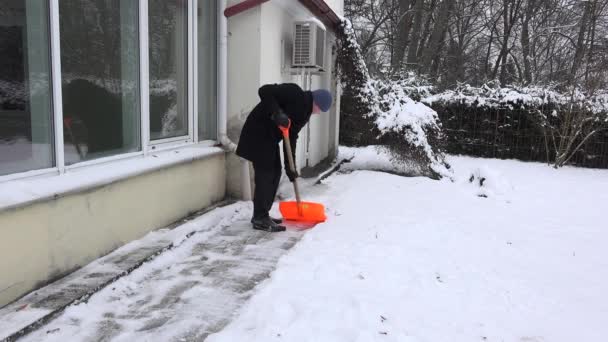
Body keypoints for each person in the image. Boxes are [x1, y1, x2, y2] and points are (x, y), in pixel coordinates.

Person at [236, 83, 333, 232]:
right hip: (257, 133)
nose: (318, 113)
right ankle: (260, 217)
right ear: (317, 102)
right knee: (266, 174)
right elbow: (264, 91)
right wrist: (277, 113)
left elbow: (291, 138)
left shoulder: (304, 114)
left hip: (269, 139)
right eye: (320, 109)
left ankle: (262, 215)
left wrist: (291, 169)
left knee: (276, 172)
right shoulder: (294, 92)